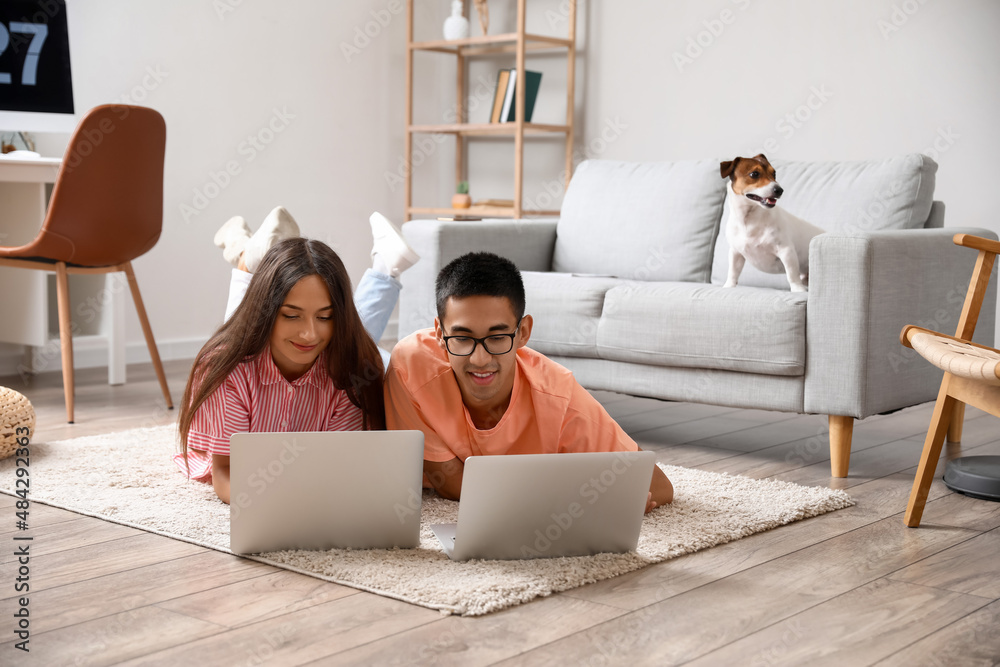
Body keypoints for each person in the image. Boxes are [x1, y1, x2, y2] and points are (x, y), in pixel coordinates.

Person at [384, 252, 673, 513]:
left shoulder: (557, 394)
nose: (480, 359)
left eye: (497, 337)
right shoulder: (411, 365)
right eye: (462, 338)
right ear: (439, 333)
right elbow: (447, 482)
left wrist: (623, 496)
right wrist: (562, 496)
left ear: (523, 332)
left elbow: (657, 485)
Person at [175, 208, 419, 504]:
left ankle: (248, 255)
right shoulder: (229, 370)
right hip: (243, 361)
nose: (310, 334)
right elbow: (225, 470)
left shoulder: (348, 367)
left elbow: (340, 465)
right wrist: (271, 503)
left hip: (341, 358)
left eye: (326, 317)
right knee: (234, 345)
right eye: (291, 316)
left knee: (361, 347)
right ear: (267, 313)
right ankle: (246, 258)